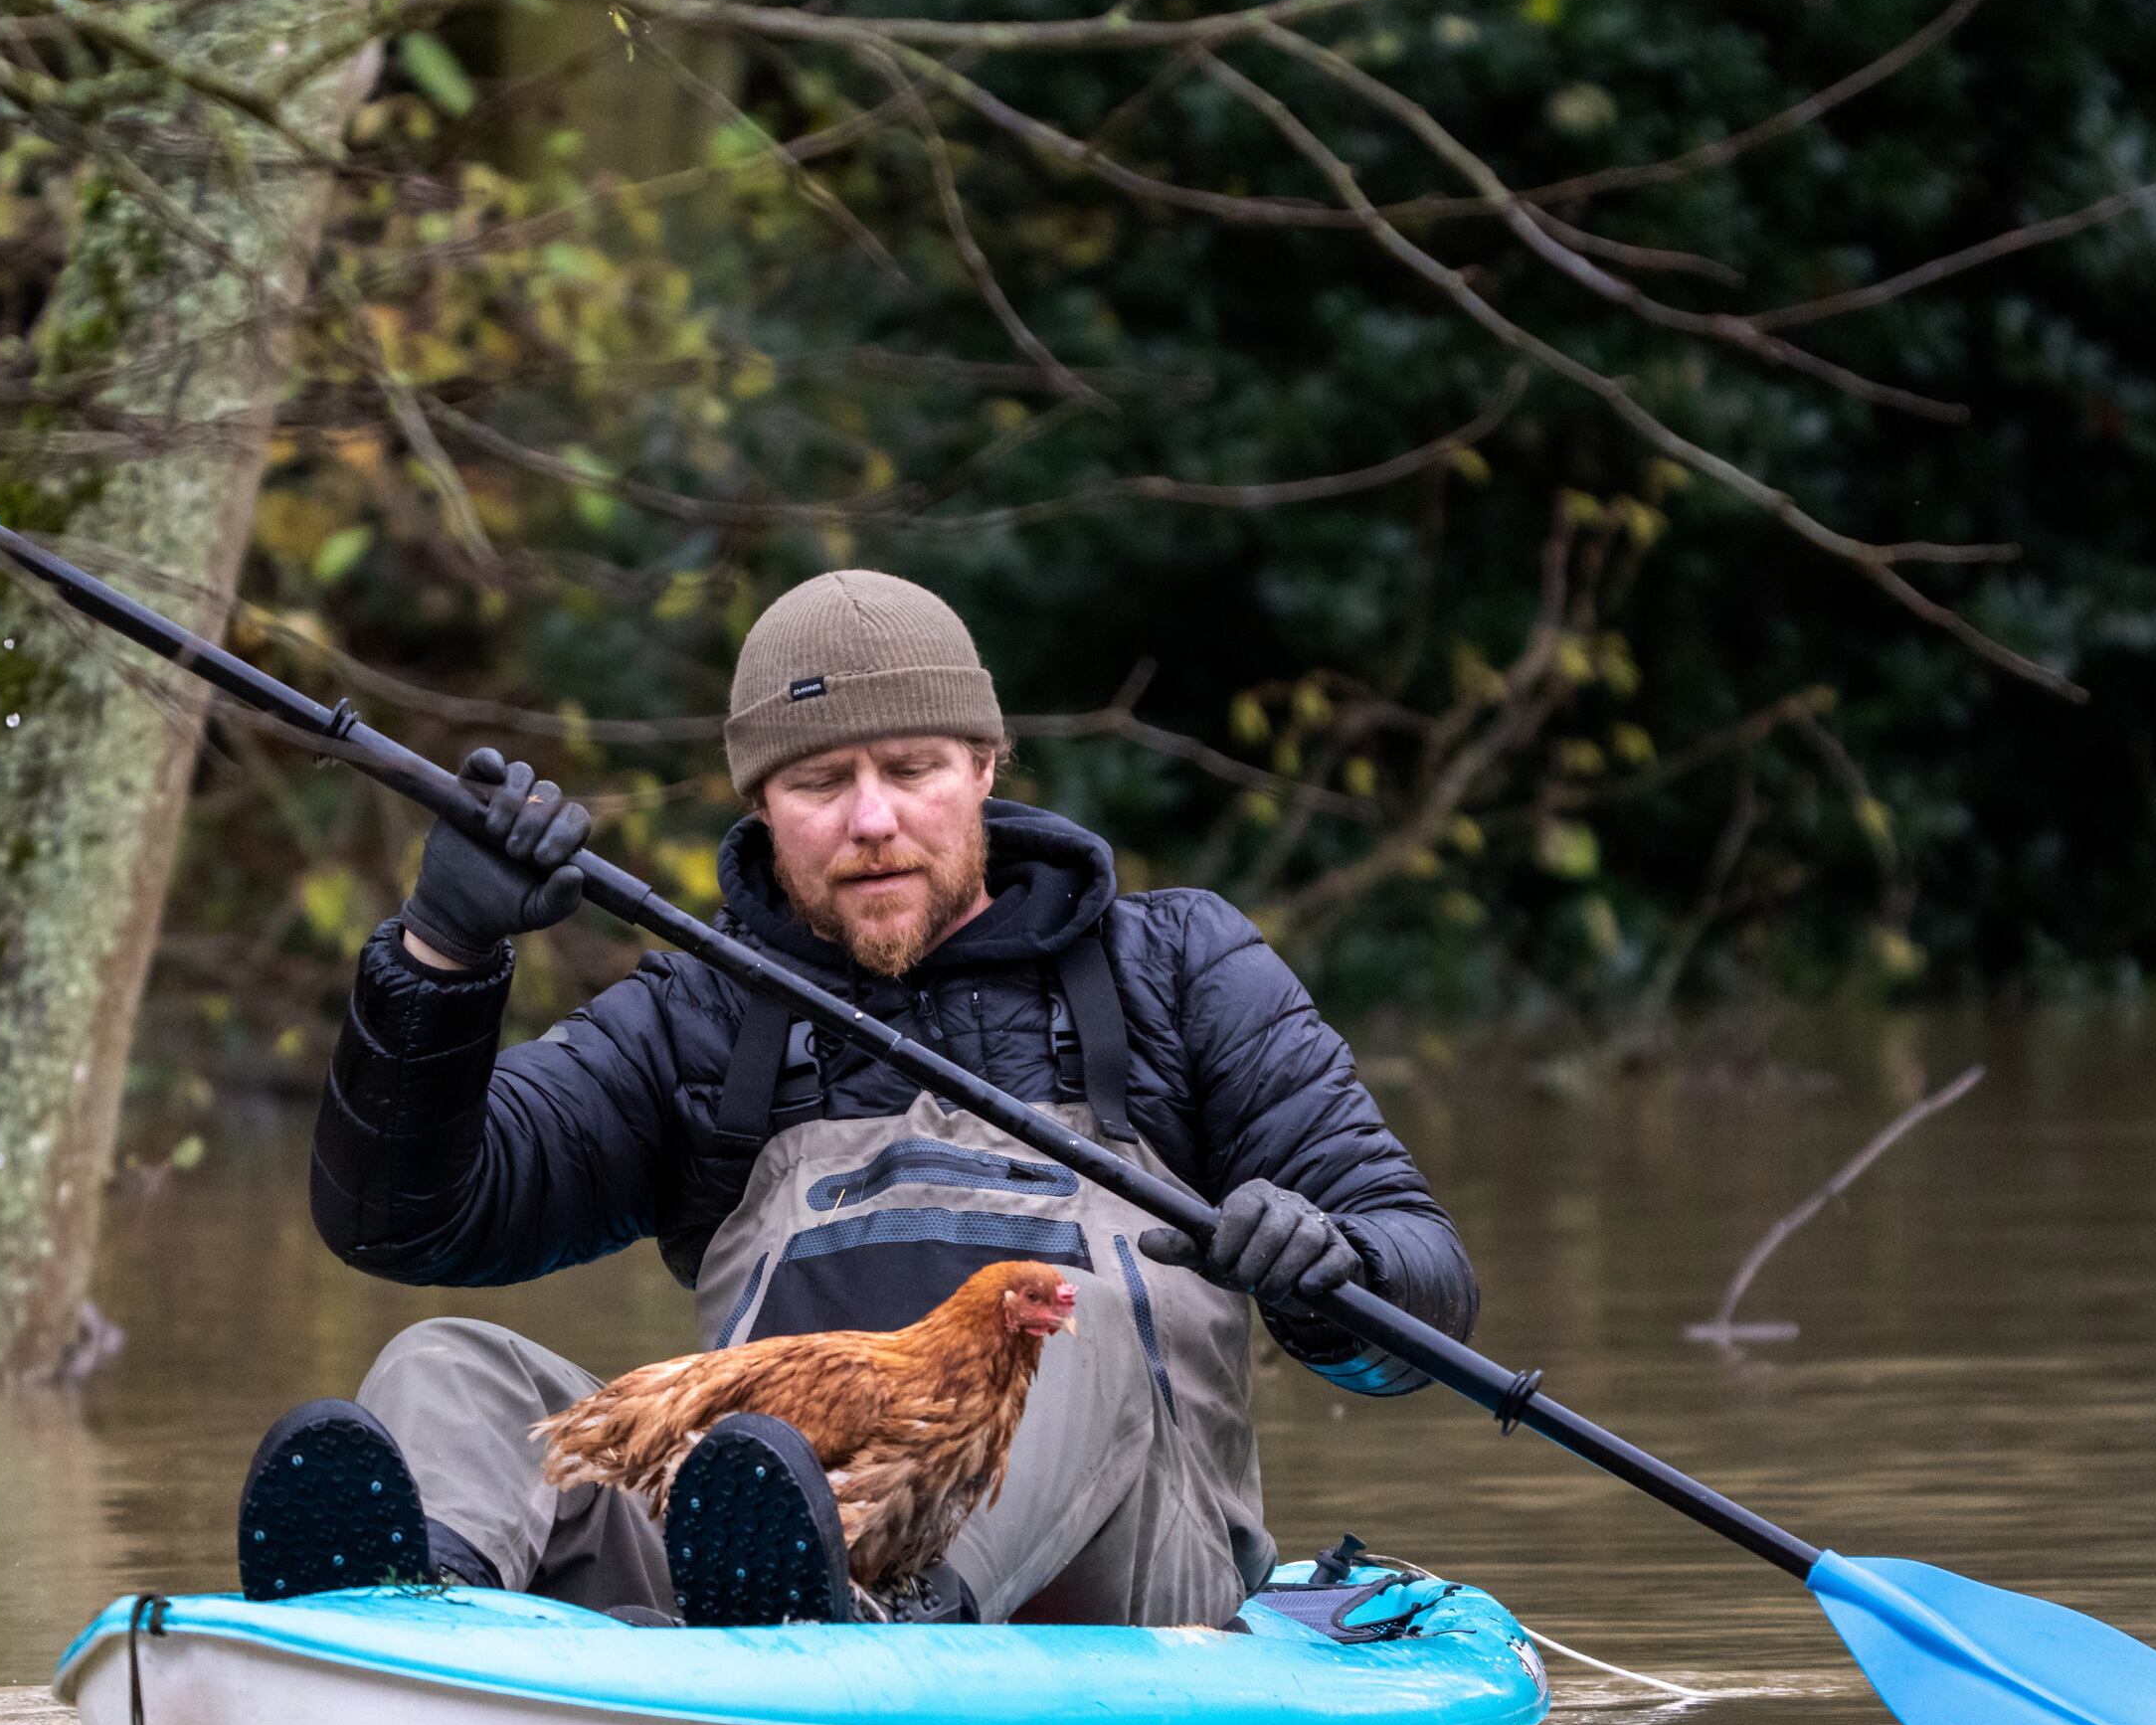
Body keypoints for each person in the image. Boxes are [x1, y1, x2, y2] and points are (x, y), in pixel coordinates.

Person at [240, 570, 1479, 1627]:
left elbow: (1425, 1302)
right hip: (752, 1583)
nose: (873, 820)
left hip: (1122, 1590)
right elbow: (401, 1222)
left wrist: (1330, 1270)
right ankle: (414, 1630)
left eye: (913, 768)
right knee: (447, 1363)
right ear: (762, 807)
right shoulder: (703, 1014)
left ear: (985, 765)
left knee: (1068, 1322)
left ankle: (894, 1624)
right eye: (820, 782)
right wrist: (441, 957)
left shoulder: (1182, 969)